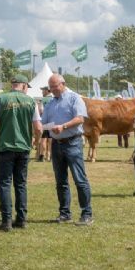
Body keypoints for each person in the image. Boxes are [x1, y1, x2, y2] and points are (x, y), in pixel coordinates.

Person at [0, 74, 42, 232]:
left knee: (5, 184)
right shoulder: (31, 102)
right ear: (23, 86)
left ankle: (6, 221)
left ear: (13, 84)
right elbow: (38, 128)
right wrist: (36, 141)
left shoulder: (0, 100)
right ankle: (21, 219)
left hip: (5, 147)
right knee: (21, 184)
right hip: (23, 148)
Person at [42, 74, 93, 226]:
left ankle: (87, 214)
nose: (52, 90)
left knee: (80, 179)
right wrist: (40, 129)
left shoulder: (74, 98)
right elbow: (44, 123)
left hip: (72, 143)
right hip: (56, 144)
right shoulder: (50, 103)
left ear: (63, 84)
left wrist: (63, 126)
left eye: (55, 86)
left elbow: (80, 119)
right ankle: (65, 214)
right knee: (61, 181)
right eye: (50, 87)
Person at [36, 86, 53, 162]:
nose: (42, 92)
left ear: (47, 91)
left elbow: (41, 110)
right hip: (52, 122)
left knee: (43, 139)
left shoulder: (43, 100)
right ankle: (49, 156)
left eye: (43, 90)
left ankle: (42, 156)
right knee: (51, 140)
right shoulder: (54, 99)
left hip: (45, 121)